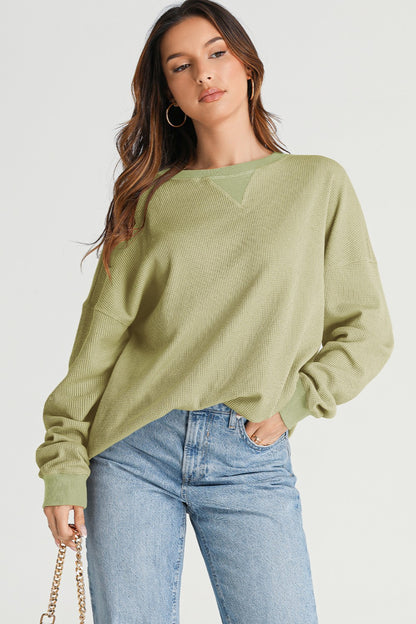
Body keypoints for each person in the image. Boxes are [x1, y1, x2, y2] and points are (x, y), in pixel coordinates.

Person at [35, 1, 394, 622]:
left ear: (248, 64)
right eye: (181, 66)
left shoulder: (317, 184)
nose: (203, 73)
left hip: (249, 450)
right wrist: (63, 465)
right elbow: (98, 345)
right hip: (132, 451)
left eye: (217, 53)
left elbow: (367, 330)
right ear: (169, 93)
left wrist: (295, 404)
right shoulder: (149, 201)